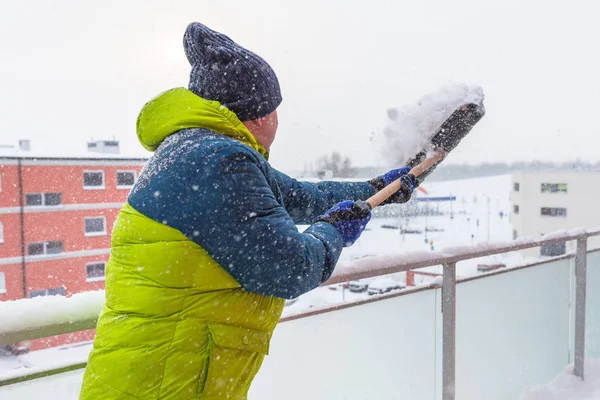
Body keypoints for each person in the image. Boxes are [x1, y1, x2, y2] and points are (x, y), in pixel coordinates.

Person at [79, 22, 416, 400]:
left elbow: (298, 196)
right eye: (275, 109)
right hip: (167, 379)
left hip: (154, 371)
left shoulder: (198, 150)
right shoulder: (218, 162)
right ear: (258, 115)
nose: (277, 119)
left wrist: (376, 191)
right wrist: (333, 230)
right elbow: (291, 267)